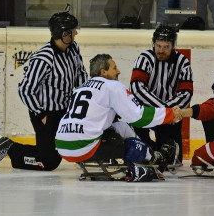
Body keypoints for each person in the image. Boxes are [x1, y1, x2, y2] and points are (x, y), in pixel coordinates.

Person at [55, 54, 180, 182]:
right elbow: (138, 117)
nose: (118, 71)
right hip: (85, 146)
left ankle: (149, 155)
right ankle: (153, 158)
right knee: (126, 138)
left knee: (121, 127)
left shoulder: (80, 88)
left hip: (62, 146)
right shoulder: (112, 86)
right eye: (114, 68)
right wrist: (170, 114)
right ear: (103, 72)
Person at [0, 11, 87, 171]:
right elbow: (25, 90)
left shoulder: (73, 48)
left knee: (57, 151)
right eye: (72, 31)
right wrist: (41, 115)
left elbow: (80, 72)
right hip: (45, 113)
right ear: (63, 33)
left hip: (64, 109)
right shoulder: (44, 59)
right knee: (49, 162)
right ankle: (9, 147)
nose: (76, 33)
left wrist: (84, 96)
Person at [130, 25, 193, 162]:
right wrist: (163, 109)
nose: (161, 50)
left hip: (171, 116)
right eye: (158, 45)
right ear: (154, 43)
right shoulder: (144, 58)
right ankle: (152, 151)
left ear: (173, 46)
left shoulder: (182, 62)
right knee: (140, 155)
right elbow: (137, 88)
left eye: (166, 46)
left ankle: (159, 152)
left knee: (173, 162)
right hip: (147, 111)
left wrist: (169, 112)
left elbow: (186, 93)